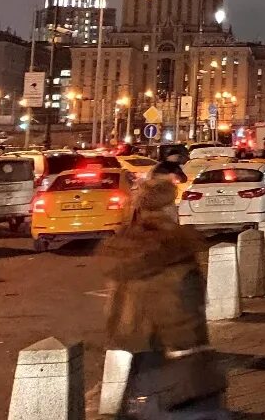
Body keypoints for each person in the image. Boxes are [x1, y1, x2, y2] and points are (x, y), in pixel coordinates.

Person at [99, 177, 226, 419]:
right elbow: (179, 304)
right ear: (167, 207)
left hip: (137, 347)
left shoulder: (125, 244)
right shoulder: (174, 247)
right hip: (174, 350)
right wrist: (193, 347)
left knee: (142, 406)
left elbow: (116, 305)